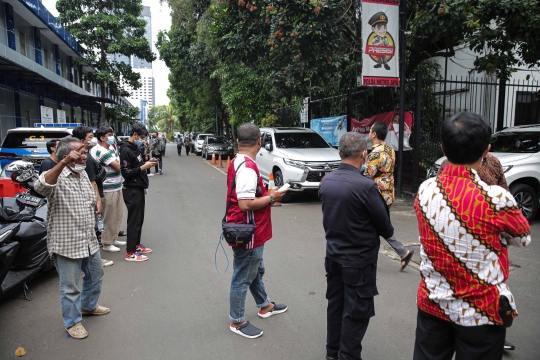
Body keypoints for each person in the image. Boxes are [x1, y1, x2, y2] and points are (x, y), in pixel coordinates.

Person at [413, 112, 531, 360]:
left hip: (433, 303)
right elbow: (523, 238)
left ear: (443, 149)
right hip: (481, 312)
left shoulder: (425, 190)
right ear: (486, 150)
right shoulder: (497, 199)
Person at [319, 132, 394, 360]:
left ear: (339, 153)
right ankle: (347, 356)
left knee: (336, 306)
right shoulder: (366, 187)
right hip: (358, 263)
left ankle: (333, 353)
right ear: (364, 154)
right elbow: (386, 227)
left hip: (333, 257)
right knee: (356, 313)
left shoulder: (326, 182)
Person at [438, 147, 516, 352]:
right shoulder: (446, 166)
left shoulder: (493, 163)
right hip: (457, 237)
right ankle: (457, 328)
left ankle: (491, 327)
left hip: (489, 237)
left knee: (488, 285)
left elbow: (505, 194)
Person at [34, 137, 110, 339]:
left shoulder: (82, 173)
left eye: (85, 152)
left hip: (88, 240)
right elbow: (41, 187)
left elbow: (90, 192)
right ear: (67, 155)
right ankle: (72, 322)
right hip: (67, 243)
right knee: (70, 287)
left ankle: (88, 306)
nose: (84, 156)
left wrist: (97, 201)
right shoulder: (57, 175)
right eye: (80, 152)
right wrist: (63, 163)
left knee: (96, 275)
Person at [226, 123, 288, 339]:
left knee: (255, 269)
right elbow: (245, 203)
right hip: (248, 231)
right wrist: (273, 197)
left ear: (237, 142)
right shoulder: (248, 168)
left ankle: (265, 305)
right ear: (260, 141)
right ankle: (237, 320)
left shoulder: (238, 161)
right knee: (243, 276)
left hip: (249, 229)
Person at [363, 122, 414, 270]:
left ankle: (401, 252)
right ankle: (402, 252)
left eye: (370, 130)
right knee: (378, 226)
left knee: (374, 226)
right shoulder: (390, 149)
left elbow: (367, 176)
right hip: (388, 193)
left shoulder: (375, 153)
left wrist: (366, 162)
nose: (369, 132)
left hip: (377, 195)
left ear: (374, 135)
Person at [71, 127, 113, 268]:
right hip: (91, 201)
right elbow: (92, 182)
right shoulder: (85, 159)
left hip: (94, 197)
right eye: (90, 137)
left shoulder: (88, 155)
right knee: (91, 231)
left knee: (93, 230)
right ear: (82, 140)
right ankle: (93, 261)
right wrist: (98, 201)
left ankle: (91, 259)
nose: (92, 139)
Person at [119, 124, 157, 262]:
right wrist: (143, 167)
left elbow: (137, 165)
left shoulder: (135, 148)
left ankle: (136, 245)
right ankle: (130, 253)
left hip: (139, 188)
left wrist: (148, 163)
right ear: (135, 134)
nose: (142, 140)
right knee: (133, 221)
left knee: (139, 220)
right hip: (131, 189)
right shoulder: (125, 150)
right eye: (141, 137)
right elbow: (126, 172)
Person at [92, 126, 126, 253]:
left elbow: (118, 162)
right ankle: (106, 242)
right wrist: (120, 162)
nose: (112, 137)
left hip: (117, 185)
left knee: (118, 215)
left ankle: (113, 238)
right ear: (102, 138)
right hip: (107, 188)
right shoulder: (100, 151)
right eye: (109, 134)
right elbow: (118, 166)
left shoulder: (111, 148)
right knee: (109, 217)